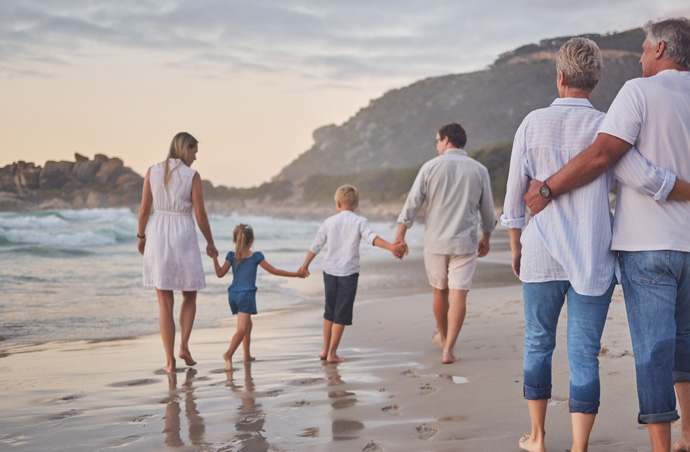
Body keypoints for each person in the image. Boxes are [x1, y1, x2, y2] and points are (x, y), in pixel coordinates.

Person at [524, 19, 690, 452]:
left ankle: (662, 447)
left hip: (649, 246)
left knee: (652, 347)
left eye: (643, 48)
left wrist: (547, 189)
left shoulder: (638, 92)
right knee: (685, 333)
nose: (640, 57)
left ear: (660, 49)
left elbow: (604, 156)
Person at [394, 123, 495, 364]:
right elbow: (488, 211)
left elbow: (412, 204)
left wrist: (400, 236)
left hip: (436, 243)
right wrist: (486, 237)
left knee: (439, 292)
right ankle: (448, 349)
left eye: (437, 141)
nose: (437, 146)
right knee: (459, 295)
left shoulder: (430, 167)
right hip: (465, 243)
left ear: (446, 140)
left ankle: (443, 336)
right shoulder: (479, 169)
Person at [138, 132, 218, 373]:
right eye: (194, 151)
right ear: (186, 149)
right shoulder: (192, 176)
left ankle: (170, 362)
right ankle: (183, 346)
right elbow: (200, 215)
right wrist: (210, 242)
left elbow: (144, 210)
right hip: (183, 233)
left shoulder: (152, 171)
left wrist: (141, 236)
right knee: (189, 294)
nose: (196, 157)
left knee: (164, 302)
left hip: (158, 233)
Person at [299, 185, 402, 363]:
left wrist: (304, 266)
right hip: (348, 274)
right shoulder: (360, 221)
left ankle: (324, 349)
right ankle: (332, 354)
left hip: (329, 272)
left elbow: (316, 245)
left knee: (329, 310)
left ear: (338, 204)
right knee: (341, 313)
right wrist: (392, 247)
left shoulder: (329, 222)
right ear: (357, 204)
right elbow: (372, 238)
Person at [212, 223, 306, 372]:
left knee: (247, 324)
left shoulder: (231, 256)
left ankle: (247, 356)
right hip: (246, 295)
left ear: (234, 240)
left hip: (233, 294)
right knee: (242, 329)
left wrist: (214, 258)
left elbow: (219, 274)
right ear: (252, 240)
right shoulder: (256, 257)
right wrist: (296, 274)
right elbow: (274, 271)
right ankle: (228, 354)